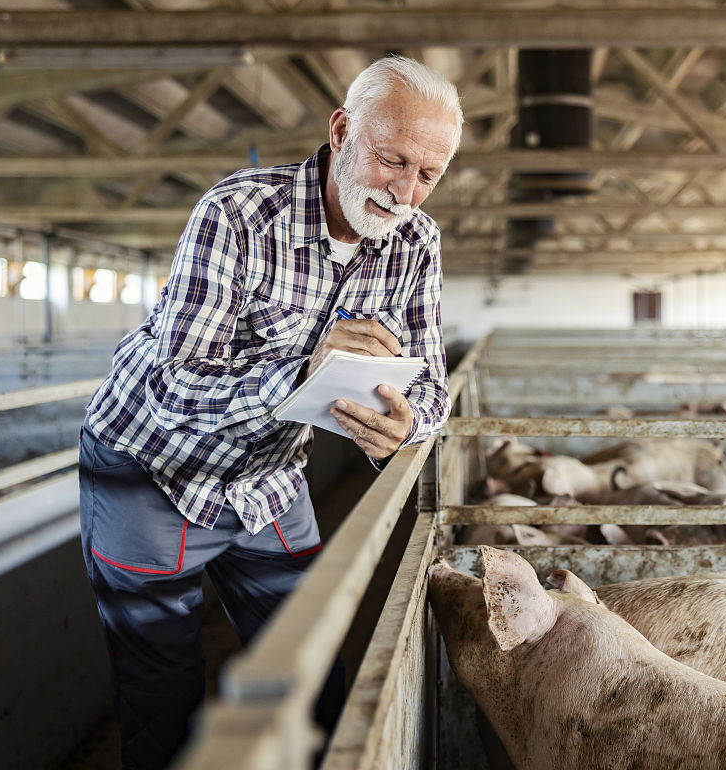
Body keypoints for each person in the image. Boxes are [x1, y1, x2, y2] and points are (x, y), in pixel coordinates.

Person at [78, 55, 461, 769]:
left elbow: (434, 387)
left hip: (267, 475)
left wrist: (408, 424)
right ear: (343, 130)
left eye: (428, 174)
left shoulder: (416, 244)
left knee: (312, 670)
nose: (406, 191)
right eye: (392, 160)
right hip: (149, 467)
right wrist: (299, 372)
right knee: (162, 699)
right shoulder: (236, 214)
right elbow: (178, 388)